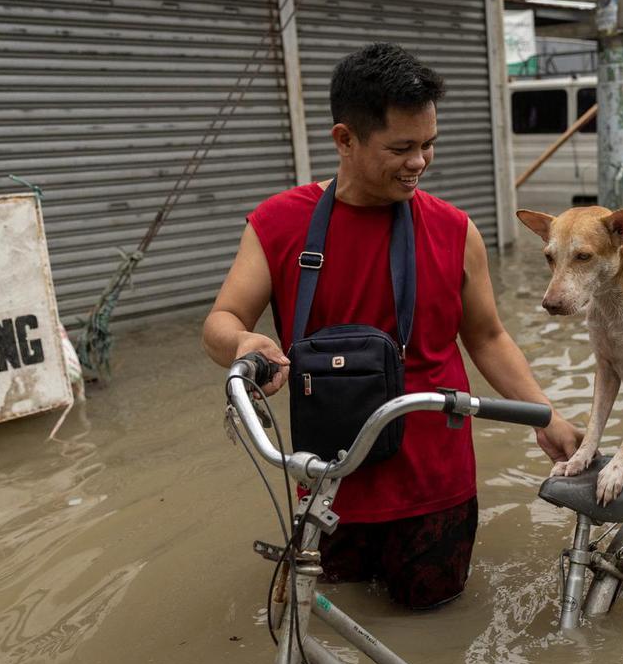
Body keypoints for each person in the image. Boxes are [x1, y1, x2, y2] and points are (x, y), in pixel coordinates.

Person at [203, 42, 579, 610]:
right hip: (327, 483)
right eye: (401, 148)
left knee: (434, 627)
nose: (420, 162)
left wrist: (544, 415)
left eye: (428, 144)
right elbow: (221, 321)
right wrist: (243, 341)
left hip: (436, 489)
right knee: (328, 622)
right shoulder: (277, 223)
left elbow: (487, 337)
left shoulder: (456, 231)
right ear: (344, 140)